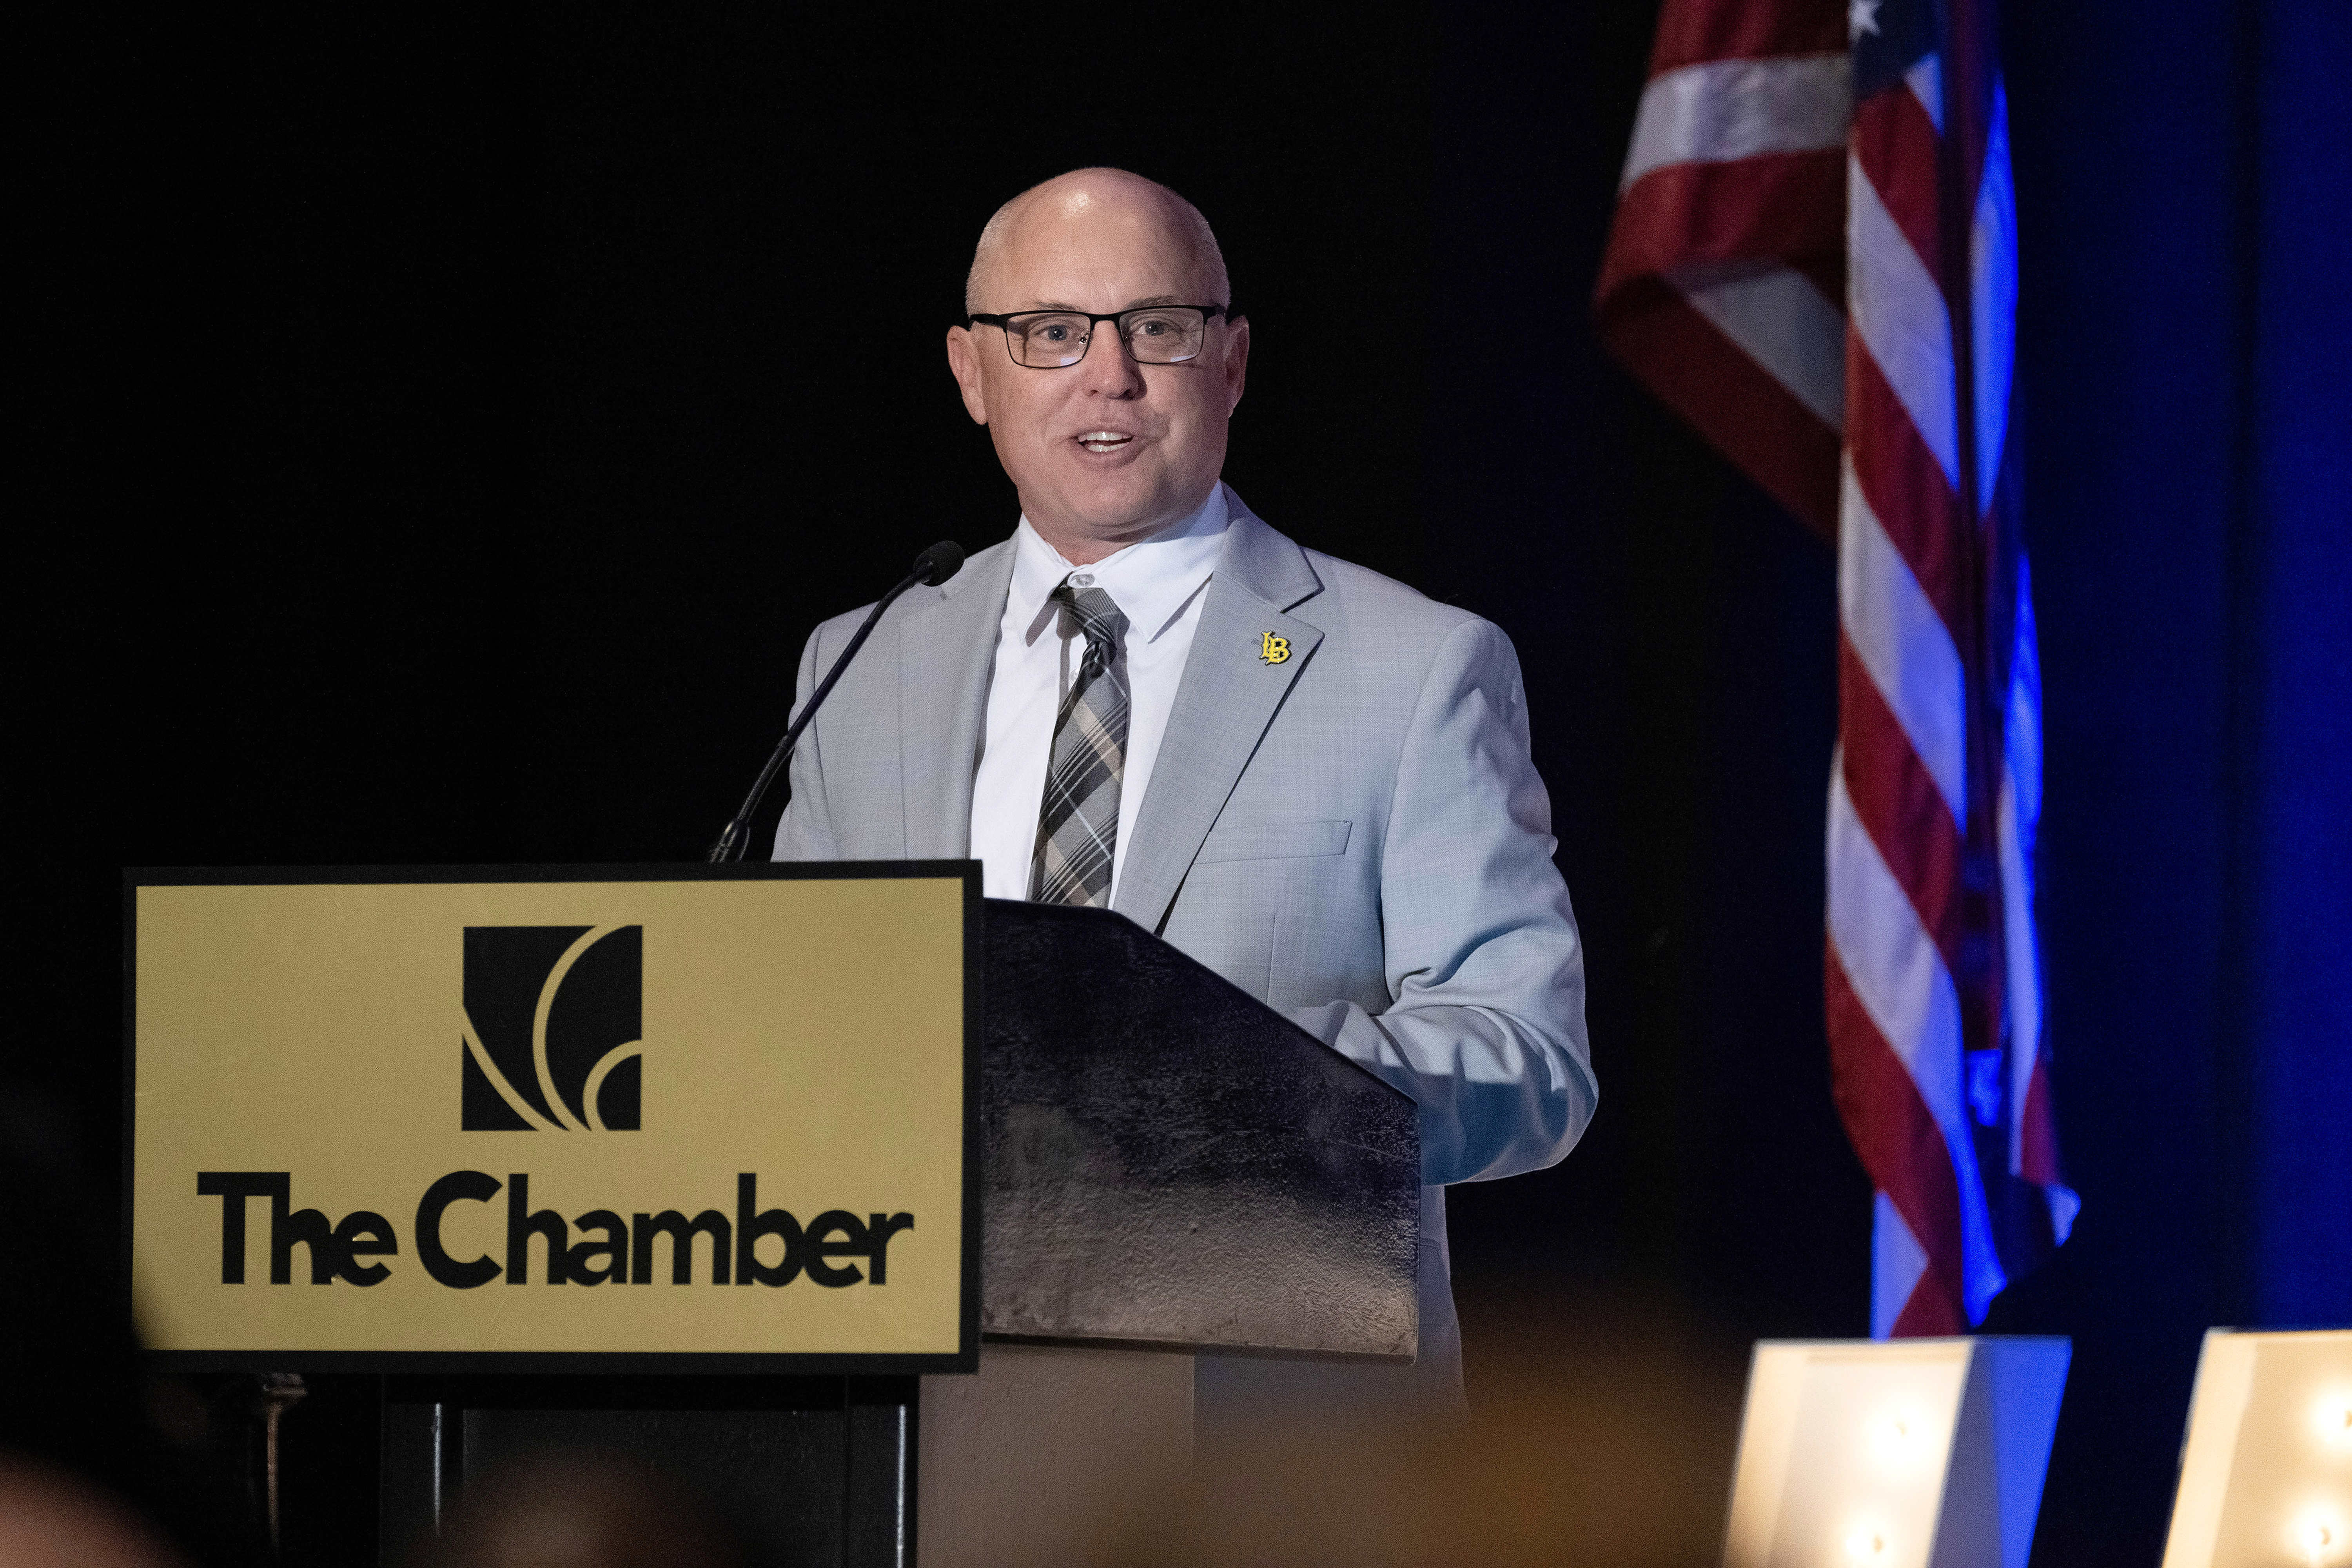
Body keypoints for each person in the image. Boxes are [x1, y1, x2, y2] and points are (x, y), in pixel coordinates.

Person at [773, 167, 1595, 1419]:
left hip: (1272, 1445)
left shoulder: (1414, 666)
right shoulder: (865, 663)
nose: (1109, 376)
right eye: (1051, 333)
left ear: (1234, 361)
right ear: (970, 370)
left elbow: (1531, 1064)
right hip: (914, 1415)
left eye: (1157, 327)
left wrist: (1221, 1081)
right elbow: (799, 1039)